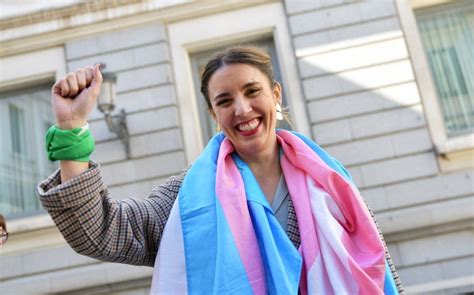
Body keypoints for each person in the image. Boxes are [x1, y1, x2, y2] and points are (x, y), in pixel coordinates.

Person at [38, 46, 403, 294]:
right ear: (213, 114)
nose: (242, 109)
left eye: (252, 91)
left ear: (276, 94)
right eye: (225, 101)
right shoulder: (186, 198)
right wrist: (71, 129)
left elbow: (378, 271)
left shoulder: (330, 182)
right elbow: (101, 233)